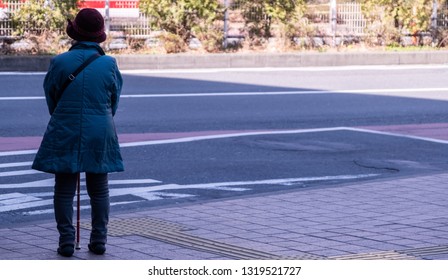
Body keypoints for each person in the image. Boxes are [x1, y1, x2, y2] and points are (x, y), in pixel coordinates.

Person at [32, 8, 124, 257]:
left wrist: (63, 116)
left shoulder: (59, 62)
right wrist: (100, 117)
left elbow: (51, 98)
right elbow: (113, 100)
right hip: (100, 129)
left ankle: (66, 240)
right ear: (98, 35)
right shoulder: (108, 64)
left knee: (63, 189)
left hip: (66, 127)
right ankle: (99, 240)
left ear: (75, 33)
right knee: (99, 189)